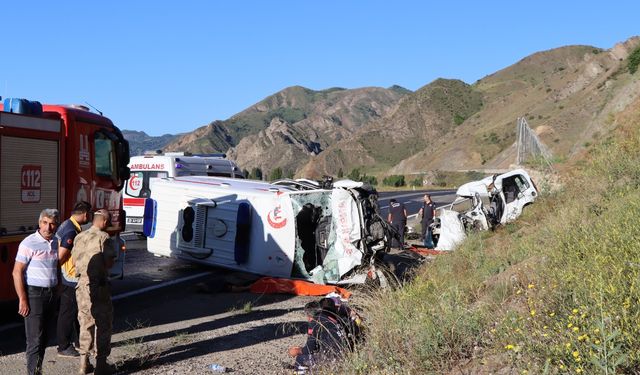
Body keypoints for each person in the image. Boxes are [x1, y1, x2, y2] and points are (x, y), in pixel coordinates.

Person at [12, 208, 61, 375]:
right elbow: (17, 271)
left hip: (51, 294)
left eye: (52, 224)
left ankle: (38, 370)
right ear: (40, 223)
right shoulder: (28, 243)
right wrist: (22, 299)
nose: (48, 227)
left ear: (57, 225)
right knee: (34, 340)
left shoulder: (57, 241)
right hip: (34, 295)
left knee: (45, 338)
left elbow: (57, 266)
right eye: (45, 223)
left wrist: (58, 289)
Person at [72, 209, 116, 375]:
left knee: (85, 322)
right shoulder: (104, 238)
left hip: (81, 284)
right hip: (98, 285)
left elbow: (74, 259)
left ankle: (83, 363)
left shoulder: (79, 236)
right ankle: (101, 364)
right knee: (103, 323)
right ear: (104, 221)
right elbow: (109, 262)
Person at [56, 201, 92, 358]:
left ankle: (79, 342)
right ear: (84, 214)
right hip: (70, 277)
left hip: (68, 276)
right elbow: (61, 256)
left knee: (76, 311)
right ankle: (63, 346)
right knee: (67, 313)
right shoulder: (71, 231)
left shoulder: (68, 224)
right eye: (89, 214)